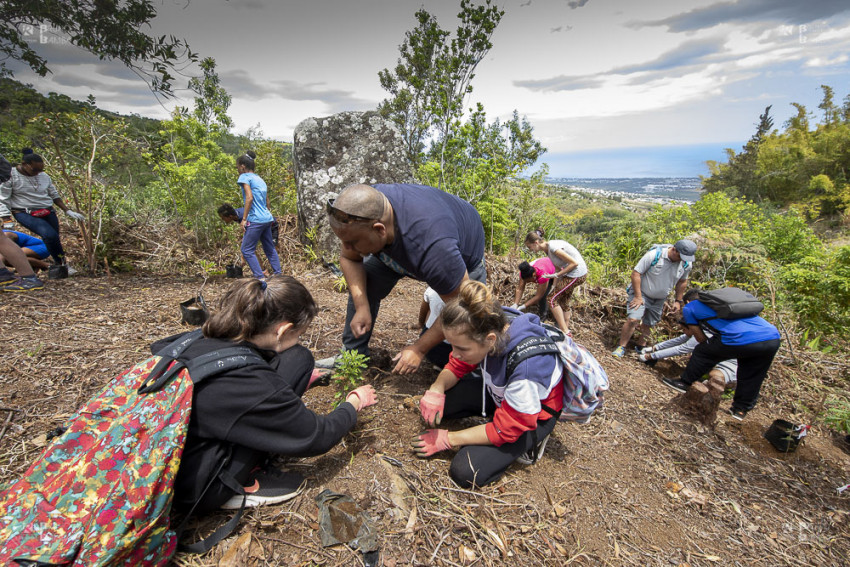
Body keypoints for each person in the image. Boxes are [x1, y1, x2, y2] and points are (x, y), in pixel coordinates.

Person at [150, 276, 377, 512]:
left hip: (164, 446)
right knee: (269, 422)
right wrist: (353, 403)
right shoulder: (249, 384)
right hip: (188, 485)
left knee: (299, 358)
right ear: (283, 329)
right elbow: (316, 435)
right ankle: (236, 486)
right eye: (298, 334)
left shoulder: (197, 338)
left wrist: (302, 379)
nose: (298, 340)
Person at [411, 280, 564, 489]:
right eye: (452, 345)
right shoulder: (486, 324)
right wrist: (436, 389)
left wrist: (449, 438)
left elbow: (506, 429)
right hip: (501, 392)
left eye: (461, 347)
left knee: (465, 470)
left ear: (490, 340)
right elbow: (457, 365)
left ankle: (532, 443)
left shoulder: (528, 367)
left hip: (534, 415)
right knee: (443, 405)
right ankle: (494, 413)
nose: (455, 353)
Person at [322, 183, 486, 375]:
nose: (346, 247)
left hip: (461, 256)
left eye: (352, 242)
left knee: (465, 331)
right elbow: (349, 258)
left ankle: (479, 379)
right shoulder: (363, 207)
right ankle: (351, 357)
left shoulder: (434, 248)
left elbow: (460, 305)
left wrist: (419, 348)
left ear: (379, 229)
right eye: (343, 241)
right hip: (396, 245)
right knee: (366, 286)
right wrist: (362, 306)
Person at [661, 290, 780, 421]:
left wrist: (710, 350)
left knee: (703, 351)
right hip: (772, 337)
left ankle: (684, 382)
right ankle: (740, 409)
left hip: (739, 338)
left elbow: (699, 337)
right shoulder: (731, 306)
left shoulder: (690, 308)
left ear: (687, 301)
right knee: (752, 373)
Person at [0, 149, 84, 279]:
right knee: (48, 234)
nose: (38, 173)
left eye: (40, 170)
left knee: (54, 238)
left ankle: (60, 266)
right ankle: (29, 272)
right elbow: (3, 198)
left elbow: (53, 194)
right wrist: (6, 219)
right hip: (24, 212)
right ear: (25, 164)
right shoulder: (10, 175)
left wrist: (67, 210)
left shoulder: (43, 176)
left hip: (47, 210)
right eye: (34, 170)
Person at [611, 239, 697, 358]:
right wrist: (638, 296)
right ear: (674, 249)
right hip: (642, 292)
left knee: (650, 322)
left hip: (660, 298)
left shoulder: (686, 263)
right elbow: (636, 273)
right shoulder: (655, 255)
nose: (682, 259)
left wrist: (678, 300)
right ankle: (621, 346)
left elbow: (682, 281)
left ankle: (641, 346)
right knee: (633, 319)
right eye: (680, 256)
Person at [523, 230, 587, 336]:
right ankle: (565, 330)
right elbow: (558, 268)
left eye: (530, 247)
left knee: (551, 299)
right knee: (563, 302)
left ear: (536, 243)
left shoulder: (553, 247)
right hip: (570, 274)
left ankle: (565, 331)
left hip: (577, 274)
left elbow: (574, 263)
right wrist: (554, 285)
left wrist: (556, 275)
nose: (531, 250)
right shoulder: (547, 250)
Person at [234, 151, 281, 280]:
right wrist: (266, 216)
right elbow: (267, 202)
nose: (238, 169)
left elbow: (249, 198)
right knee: (269, 248)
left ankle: (260, 278)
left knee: (247, 250)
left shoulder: (244, 177)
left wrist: (244, 219)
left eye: (238, 167)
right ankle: (278, 275)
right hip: (267, 218)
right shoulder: (260, 179)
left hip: (255, 219)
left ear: (243, 166)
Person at [511, 257, 557, 321]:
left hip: (557, 271)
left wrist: (523, 306)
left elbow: (538, 296)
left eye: (529, 281)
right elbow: (520, 289)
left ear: (534, 275)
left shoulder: (543, 275)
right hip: (545, 265)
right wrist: (515, 304)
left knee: (544, 296)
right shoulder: (523, 272)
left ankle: (543, 317)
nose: (528, 282)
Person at [418, 286, 452, 368]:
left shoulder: (432, 290)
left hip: (427, 347)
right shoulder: (468, 296)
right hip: (451, 352)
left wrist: (421, 325)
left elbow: (423, 313)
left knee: (431, 309)